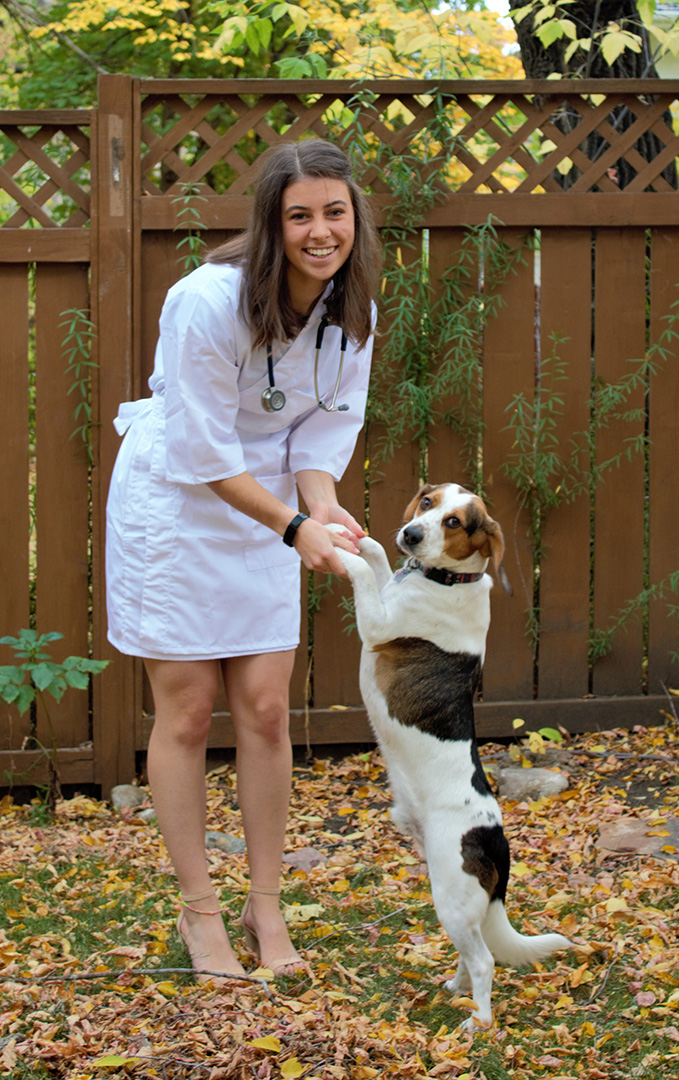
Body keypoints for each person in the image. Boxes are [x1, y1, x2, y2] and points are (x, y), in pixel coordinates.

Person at [105, 139, 381, 981]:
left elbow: (322, 431)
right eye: (300, 215)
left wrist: (321, 504)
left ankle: (266, 904)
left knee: (264, 709)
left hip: (270, 501)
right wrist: (292, 527)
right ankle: (200, 913)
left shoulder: (354, 304)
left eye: (334, 212)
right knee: (187, 713)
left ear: (354, 219)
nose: (320, 231)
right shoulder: (205, 301)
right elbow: (200, 447)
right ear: (272, 224)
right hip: (180, 501)